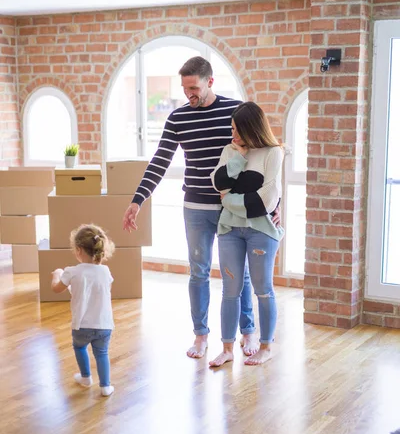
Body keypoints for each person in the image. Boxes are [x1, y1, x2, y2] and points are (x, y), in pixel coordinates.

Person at [123, 56, 280, 359]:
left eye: (193, 87)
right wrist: (137, 199)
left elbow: (264, 156)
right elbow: (160, 161)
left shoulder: (233, 112)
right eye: (184, 88)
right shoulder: (178, 118)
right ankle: (201, 336)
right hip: (194, 208)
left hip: (231, 208)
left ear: (210, 81)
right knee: (198, 272)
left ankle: (247, 331)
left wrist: (277, 204)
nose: (188, 94)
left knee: (239, 276)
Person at [209, 101, 284, 368]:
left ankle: (266, 347)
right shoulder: (230, 150)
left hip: (261, 231)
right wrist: (238, 158)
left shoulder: (273, 153)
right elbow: (218, 183)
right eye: (232, 129)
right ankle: (227, 348)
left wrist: (230, 200)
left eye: (238, 130)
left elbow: (268, 198)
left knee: (263, 290)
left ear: (253, 129)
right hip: (229, 230)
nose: (234, 135)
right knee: (230, 290)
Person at [51, 224, 116, 397]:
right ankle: (105, 386)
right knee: (102, 353)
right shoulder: (105, 271)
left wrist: (57, 274)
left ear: (78, 250)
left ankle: (86, 377)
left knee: (80, 348)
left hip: (81, 325)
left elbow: (56, 289)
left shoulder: (72, 272)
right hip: (104, 324)